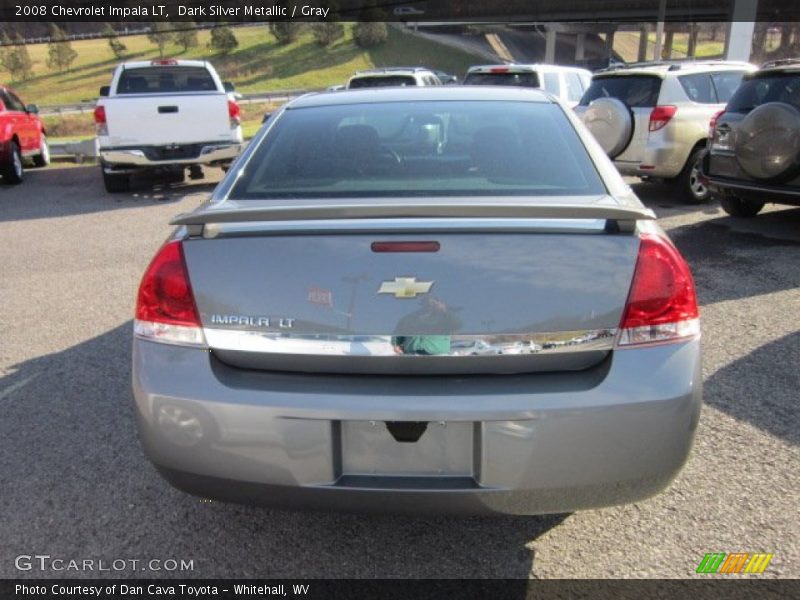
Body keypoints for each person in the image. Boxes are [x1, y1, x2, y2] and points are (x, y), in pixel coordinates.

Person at [391, 296, 462, 355]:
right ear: (422, 304)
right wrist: (396, 344)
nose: (430, 305)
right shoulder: (410, 318)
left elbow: (457, 325)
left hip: (438, 356)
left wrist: (444, 311)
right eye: (427, 302)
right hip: (412, 356)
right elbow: (398, 332)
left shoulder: (444, 317)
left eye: (433, 303)